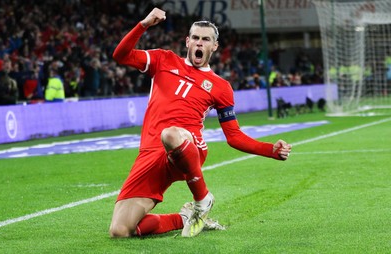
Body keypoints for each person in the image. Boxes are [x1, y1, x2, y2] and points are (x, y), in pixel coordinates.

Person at [109, 7, 292, 238]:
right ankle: (184, 218)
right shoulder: (162, 60)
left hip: (188, 147)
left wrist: (270, 150)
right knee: (120, 230)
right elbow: (120, 55)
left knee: (170, 134)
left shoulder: (221, 87)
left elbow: (234, 136)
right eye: (195, 37)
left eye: (205, 39)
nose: (199, 43)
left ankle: (202, 199)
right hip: (150, 153)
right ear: (187, 41)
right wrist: (144, 24)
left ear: (214, 46)